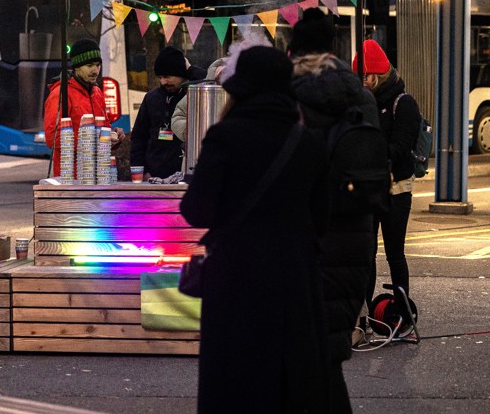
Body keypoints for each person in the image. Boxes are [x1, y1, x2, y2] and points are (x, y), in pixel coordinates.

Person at [180, 46, 330, 413]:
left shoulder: (225, 137)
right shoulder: (306, 142)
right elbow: (324, 217)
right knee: (287, 385)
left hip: (234, 279)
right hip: (294, 281)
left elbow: (196, 211)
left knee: (233, 385)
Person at [289, 8, 382, 412]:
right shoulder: (360, 95)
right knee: (330, 353)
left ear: (294, 51)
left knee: (301, 360)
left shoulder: (291, 96)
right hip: (357, 237)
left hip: (309, 238)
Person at [354, 39, 422, 306]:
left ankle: (402, 313)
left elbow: (400, 147)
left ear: (378, 75)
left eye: (366, 77)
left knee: (395, 253)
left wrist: (367, 150)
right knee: (365, 254)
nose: (362, 82)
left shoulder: (403, 103)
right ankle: (362, 315)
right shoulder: (361, 102)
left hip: (396, 190)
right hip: (369, 188)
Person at [42, 38, 124, 177]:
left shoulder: (97, 93)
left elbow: (104, 128)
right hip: (71, 177)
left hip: (99, 175)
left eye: (98, 65)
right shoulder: (60, 94)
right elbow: (52, 138)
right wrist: (94, 141)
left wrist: (114, 136)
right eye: (90, 65)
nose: (95, 70)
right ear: (76, 67)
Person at [130, 46, 205, 181]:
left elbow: (208, 81)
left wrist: (190, 69)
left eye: (167, 76)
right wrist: (143, 171)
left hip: (183, 177)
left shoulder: (193, 95)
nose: (163, 82)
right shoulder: (151, 98)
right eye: (160, 77)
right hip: (152, 177)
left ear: (182, 74)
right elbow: (138, 137)